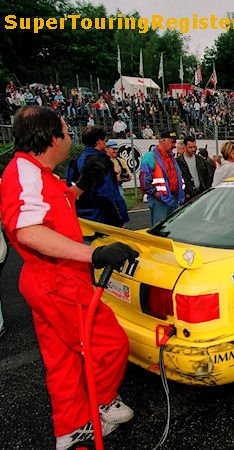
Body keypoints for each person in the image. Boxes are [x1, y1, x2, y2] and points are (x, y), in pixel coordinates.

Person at [0, 106, 139, 449]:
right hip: (56, 279)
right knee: (110, 345)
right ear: (51, 138)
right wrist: (93, 254)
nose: (70, 136)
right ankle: (103, 402)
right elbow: (29, 230)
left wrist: (80, 186)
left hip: (50, 279)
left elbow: (50, 209)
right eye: (66, 130)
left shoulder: (37, 172)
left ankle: (72, 427)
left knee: (62, 360)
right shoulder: (23, 171)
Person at [67, 126, 129, 227]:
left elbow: (70, 189)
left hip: (79, 216)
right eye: (105, 140)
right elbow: (106, 194)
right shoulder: (102, 162)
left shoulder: (74, 163)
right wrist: (118, 220)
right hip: (101, 218)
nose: (106, 143)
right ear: (99, 141)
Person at [139, 131, 185, 225]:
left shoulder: (171, 157)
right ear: (163, 140)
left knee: (174, 228)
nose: (174, 145)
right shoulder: (150, 157)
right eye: (172, 142)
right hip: (160, 201)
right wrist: (155, 193)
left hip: (173, 198)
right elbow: (144, 180)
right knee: (160, 229)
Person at [176, 136, 211, 201]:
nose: (193, 149)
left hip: (201, 193)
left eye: (194, 147)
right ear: (185, 146)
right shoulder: (178, 161)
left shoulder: (200, 160)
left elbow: (207, 176)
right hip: (187, 196)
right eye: (190, 147)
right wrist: (184, 193)